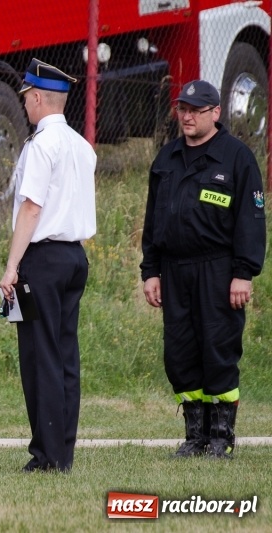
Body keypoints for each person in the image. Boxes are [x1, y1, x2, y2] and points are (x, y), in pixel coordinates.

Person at [140, 79, 266, 459]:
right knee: (180, 353)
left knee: (218, 348)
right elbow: (152, 222)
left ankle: (221, 436)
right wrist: (151, 271)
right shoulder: (166, 159)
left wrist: (243, 272)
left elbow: (251, 219)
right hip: (174, 270)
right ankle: (195, 435)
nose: (187, 116)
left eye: (196, 110)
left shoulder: (236, 157)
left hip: (219, 270)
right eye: (183, 109)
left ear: (215, 113)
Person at [0, 58, 97, 473]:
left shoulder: (42, 145)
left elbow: (32, 209)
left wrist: (11, 266)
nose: (25, 106)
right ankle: (63, 452)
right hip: (74, 255)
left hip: (43, 258)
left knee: (41, 358)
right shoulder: (81, 145)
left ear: (37, 97)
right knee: (65, 357)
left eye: (26, 99)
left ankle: (46, 455)